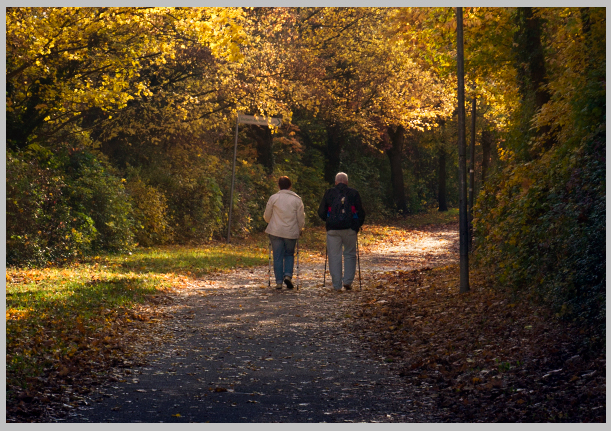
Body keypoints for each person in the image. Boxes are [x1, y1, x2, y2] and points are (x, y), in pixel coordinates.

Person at [318, 172, 365, 291]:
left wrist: (328, 220)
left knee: (334, 256)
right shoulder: (354, 193)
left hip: (333, 229)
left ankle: (337, 285)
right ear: (347, 182)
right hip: (350, 228)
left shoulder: (329, 193)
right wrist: (357, 225)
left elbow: (321, 212)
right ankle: (348, 281)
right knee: (350, 254)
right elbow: (361, 212)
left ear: (335, 182)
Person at [264, 176, 305, 290]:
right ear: (290, 186)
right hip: (291, 232)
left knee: (277, 256)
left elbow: (267, 216)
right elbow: (300, 218)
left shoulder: (274, 198)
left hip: (275, 231)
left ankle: (278, 282)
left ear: (278, 186)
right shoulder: (297, 200)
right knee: (289, 254)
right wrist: (300, 228)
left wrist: (269, 221)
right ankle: (287, 275)